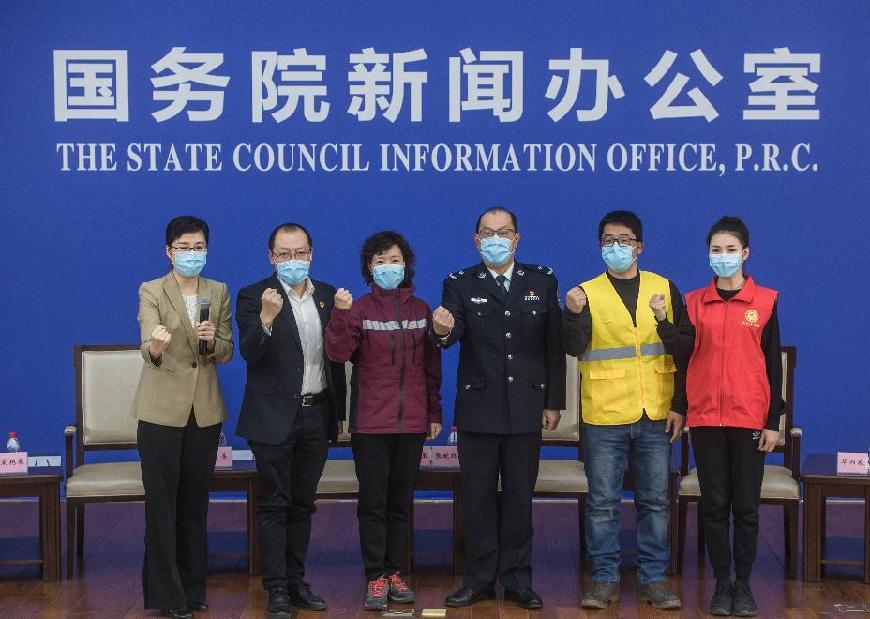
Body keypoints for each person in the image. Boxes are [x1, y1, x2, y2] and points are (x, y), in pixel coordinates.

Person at [433, 207, 565, 610]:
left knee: (519, 499)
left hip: (527, 406)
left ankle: (519, 581)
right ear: (476, 240)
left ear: (516, 238)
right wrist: (442, 331)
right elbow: (451, 332)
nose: (495, 239)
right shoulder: (459, 282)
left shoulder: (541, 281)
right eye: (487, 233)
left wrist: (553, 401)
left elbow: (553, 346)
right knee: (477, 499)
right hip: (479, 408)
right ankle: (478, 581)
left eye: (503, 232)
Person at [657, 216, 782, 617]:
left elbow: (772, 366)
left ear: (745, 254)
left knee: (745, 507)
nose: (723, 256)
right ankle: (721, 583)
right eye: (716, 250)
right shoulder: (694, 302)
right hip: (707, 419)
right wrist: (680, 406)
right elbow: (682, 358)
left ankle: (743, 585)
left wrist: (773, 421)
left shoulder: (765, 302)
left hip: (749, 419)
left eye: (730, 250)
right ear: (708, 254)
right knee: (714, 505)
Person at [561, 210, 683, 610]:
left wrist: (679, 405)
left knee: (655, 502)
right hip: (604, 415)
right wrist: (572, 313)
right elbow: (573, 347)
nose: (616, 247)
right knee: (602, 504)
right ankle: (604, 579)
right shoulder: (584, 293)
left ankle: (654, 580)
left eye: (625, 240)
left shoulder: (664, 288)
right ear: (599, 247)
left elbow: (683, 349)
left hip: (655, 413)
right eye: (608, 241)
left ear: (640, 246)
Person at [325, 230, 442, 612]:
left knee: (400, 503)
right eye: (380, 261)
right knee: (373, 503)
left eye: (394, 260)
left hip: (412, 423)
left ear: (406, 265)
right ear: (369, 268)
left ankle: (394, 571)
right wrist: (340, 315)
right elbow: (338, 353)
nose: (388, 267)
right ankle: (375, 575)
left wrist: (434, 412)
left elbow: (431, 366)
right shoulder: (358, 309)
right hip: (370, 424)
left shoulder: (422, 310)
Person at [235, 223, 347, 618]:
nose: (293, 260)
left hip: (317, 413)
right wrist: (266, 319)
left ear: (311, 254)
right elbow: (250, 353)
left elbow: (339, 353)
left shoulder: (328, 296)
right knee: (274, 503)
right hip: (273, 417)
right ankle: (277, 588)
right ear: (271, 257)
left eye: (300, 252)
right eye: (284, 254)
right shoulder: (253, 296)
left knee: (303, 503)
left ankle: (297, 582)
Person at [132, 215, 234, 619]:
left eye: (198, 247)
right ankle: (168, 595)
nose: (192, 254)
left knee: (195, 503)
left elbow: (225, 350)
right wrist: (156, 347)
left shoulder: (218, 290)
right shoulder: (152, 289)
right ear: (169, 251)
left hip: (204, 411)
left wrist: (213, 342)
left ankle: (193, 589)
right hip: (160, 411)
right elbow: (148, 345)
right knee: (162, 505)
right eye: (184, 247)